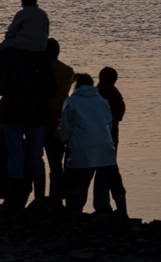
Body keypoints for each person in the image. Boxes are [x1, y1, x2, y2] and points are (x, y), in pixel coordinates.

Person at [0, 25, 58, 211]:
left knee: (16, 155)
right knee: (36, 154)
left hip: (13, 112)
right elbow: (52, 89)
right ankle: (40, 200)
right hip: (37, 112)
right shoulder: (43, 57)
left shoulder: (6, 55)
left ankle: (14, 201)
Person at [58, 74, 128, 218]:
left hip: (81, 145)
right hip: (104, 143)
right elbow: (109, 123)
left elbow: (66, 126)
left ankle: (72, 210)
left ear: (76, 85)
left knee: (72, 177)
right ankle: (122, 211)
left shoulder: (71, 101)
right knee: (113, 178)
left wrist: (62, 138)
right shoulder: (102, 100)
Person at [0, 0, 51, 83]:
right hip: (40, 46)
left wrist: (8, 39)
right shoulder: (43, 14)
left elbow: (11, 31)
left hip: (23, 44)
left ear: (22, 1)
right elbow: (47, 31)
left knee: (0, 47)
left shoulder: (22, 14)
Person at [44, 38, 75, 204]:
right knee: (56, 165)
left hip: (38, 122)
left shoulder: (39, 69)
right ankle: (56, 199)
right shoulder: (68, 72)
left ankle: (39, 198)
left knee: (33, 162)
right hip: (58, 124)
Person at [93, 67, 126, 213]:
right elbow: (119, 114)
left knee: (84, 173)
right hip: (109, 140)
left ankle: (76, 206)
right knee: (105, 173)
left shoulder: (92, 93)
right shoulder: (114, 95)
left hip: (89, 139)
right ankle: (102, 204)